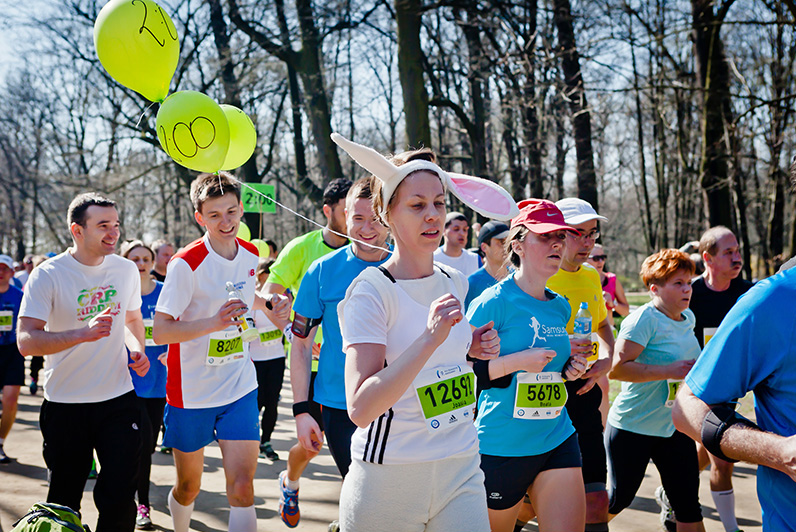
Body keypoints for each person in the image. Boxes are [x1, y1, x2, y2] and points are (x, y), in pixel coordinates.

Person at [332, 132, 516, 532]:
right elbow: (361, 408)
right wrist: (430, 339)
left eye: (438, 204)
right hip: (390, 477)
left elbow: (449, 360)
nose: (433, 215)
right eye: (417, 205)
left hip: (462, 466)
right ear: (386, 214)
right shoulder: (371, 291)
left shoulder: (456, 280)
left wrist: (474, 346)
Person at [152, 172, 289, 532]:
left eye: (231, 212)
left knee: (243, 488)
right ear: (200, 218)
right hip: (191, 392)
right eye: (215, 215)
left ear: (241, 208)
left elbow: (245, 295)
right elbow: (162, 330)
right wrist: (213, 323)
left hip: (239, 386)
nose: (226, 222)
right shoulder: (186, 263)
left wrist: (266, 304)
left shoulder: (251, 253)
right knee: (188, 487)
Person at [17, 192, 150, 532]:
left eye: (116, 225)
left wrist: (137, 349)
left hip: (118, 399)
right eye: (103, 225)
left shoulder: (124, 270)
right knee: (63, 501)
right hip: (66, 404)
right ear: (77, 230)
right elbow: (26, 340)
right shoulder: (48, 274)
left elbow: (133, 320)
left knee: (121, 495)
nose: (113, 233)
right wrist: (81, 334)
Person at [467, 199, 589, 532]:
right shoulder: (493, 302)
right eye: (545, 236)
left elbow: (550, 373)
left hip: (556, 437)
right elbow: (462, 374)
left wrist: (570, 371)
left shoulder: (560, 306)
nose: (557, 244)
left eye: (561, 237)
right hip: (502, 444)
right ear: (518, 244)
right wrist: (518, 362)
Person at [286, 176, 390, 527]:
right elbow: (300, 344)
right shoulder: (322, 272)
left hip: (401, 402)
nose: (366, 228)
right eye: (357, 218)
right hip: (340, 404)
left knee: (392, 498)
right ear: (343, 216)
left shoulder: (414, 266)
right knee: (364, 492)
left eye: (375, 217)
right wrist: (302, 409)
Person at [673, 265, 796, 531]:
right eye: (727, 252)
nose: (735, 258)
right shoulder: (774, 298)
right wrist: (781, 452)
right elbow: (686, 406)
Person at [262, 178, 351, 527]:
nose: (356, 220)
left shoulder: (378, 250)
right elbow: (269, 295)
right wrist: (292, 329)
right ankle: (291, 481)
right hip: (311, 365)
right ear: (328, 211)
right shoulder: (303, 248)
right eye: (347, 212)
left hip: (354, 364)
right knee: (313, 443)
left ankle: (352, 516)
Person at [653, 227, 753, 532]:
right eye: (729, 253)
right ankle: (731, 528)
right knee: (722, 459)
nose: (737, 258)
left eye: (738, 251)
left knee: (707, 452)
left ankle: (669, 489)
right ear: (708, 258)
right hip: (694, 388)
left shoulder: (750, 293)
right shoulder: (690, 292)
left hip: (731, 386)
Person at [606, 249, 705, 532]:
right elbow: (617, 369)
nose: (687, 289)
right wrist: (668, 371)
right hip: (633, 427)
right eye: (678, 283)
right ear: (654, 289)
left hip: (674, 427)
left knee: (688, 507)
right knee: (618, 500)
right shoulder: (643, 320)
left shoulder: (688, 318)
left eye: (688, 282)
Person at [544, 197, 615, 532]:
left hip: (584, 394)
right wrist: (560, 348)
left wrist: (607, 358)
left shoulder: (590, 276)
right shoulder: (537, 275)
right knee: (529, 506)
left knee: (597, 501)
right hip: (540, 401)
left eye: (593, 234)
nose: (588, 242)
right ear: (558, 233)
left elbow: (602, 324)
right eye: (579, 233)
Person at [120, 240, 168, 531]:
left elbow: (181, 329)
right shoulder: (120, 294)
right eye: (134, 258)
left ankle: (131, 491)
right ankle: (142, 505)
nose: (140, 263)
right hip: (127, 383)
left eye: (145, 258)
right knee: (137, 446)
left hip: (159, 384)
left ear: (152, 262)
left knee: (148, 447)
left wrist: (173, 350)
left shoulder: (165, 294)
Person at [250, 258, 286, 462]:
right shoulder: (253, 299)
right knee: (256, 403)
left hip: (276, 358)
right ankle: (251, 441)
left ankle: (266, 442)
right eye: (267, 272)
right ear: (259, 275)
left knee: (272, 403)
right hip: (256, 360)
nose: (270, 277)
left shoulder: (281, 298)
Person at [0, 254, 24, 464]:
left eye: (4, 269)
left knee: (10, 399)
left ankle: (0, 442)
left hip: (13, 351)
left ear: (11, 272)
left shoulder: (19, 295)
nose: (0, 273)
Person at [464, 220, 510, 310]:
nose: (506, 246)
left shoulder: (518, 278)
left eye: (508, 241)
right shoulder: (472, 283)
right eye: (501, 241)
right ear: (484, 247)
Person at [587, 244, 630, 327]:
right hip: (586, 332)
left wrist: (613, 303)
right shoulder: (578, 281)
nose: (600, 262)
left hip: (609, 332)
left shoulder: (611, 279)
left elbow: (626, 311)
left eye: (603, 258)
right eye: (596, 258)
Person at [433, 211, 481, 276]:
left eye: (465, 229)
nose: (462, 233)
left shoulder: (475, 259)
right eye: (456, 229)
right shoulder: (432, 258)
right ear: (443, 230)